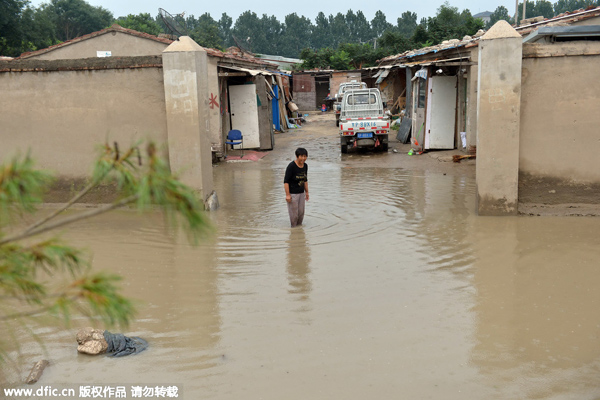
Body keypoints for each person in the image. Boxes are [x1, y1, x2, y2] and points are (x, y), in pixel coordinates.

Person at [284, 148, 309, 227]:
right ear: (297, 156)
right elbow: (286, 182)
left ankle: (299, 232)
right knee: (294, 215)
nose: (303, 158)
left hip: (301, 193)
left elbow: (305, 179)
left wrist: (307, 192)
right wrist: (288, 195)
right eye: (301, 156)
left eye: (305, 156)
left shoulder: (305, 166)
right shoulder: (291, 166)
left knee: (301, 214)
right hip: (293, 194)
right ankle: (294, 231)